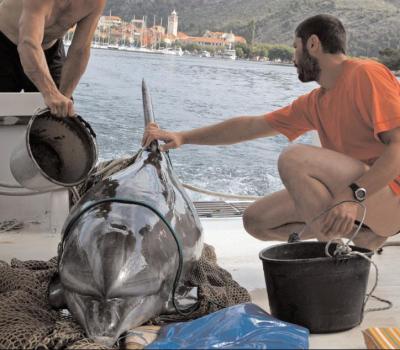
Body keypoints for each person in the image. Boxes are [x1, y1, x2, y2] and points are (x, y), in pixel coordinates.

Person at [142, 14, 400, 251]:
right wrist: (184, 137)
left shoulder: (366, 74)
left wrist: (351, 196)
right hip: (361, 199)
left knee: (294, 158)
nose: (293, 58)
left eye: (295, 48)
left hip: (389, 198)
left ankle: (333, 258)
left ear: (312, 44)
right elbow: (252, 125)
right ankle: (365, 237)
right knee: (257, 220)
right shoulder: (315, 102)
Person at [0, 0, 106, 117]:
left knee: (61, 111)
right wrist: (50, 93)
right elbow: (28, 44)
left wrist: (62, 99)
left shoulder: (96, 2)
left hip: (49, 50)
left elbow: (79, 51)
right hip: (5, 43)